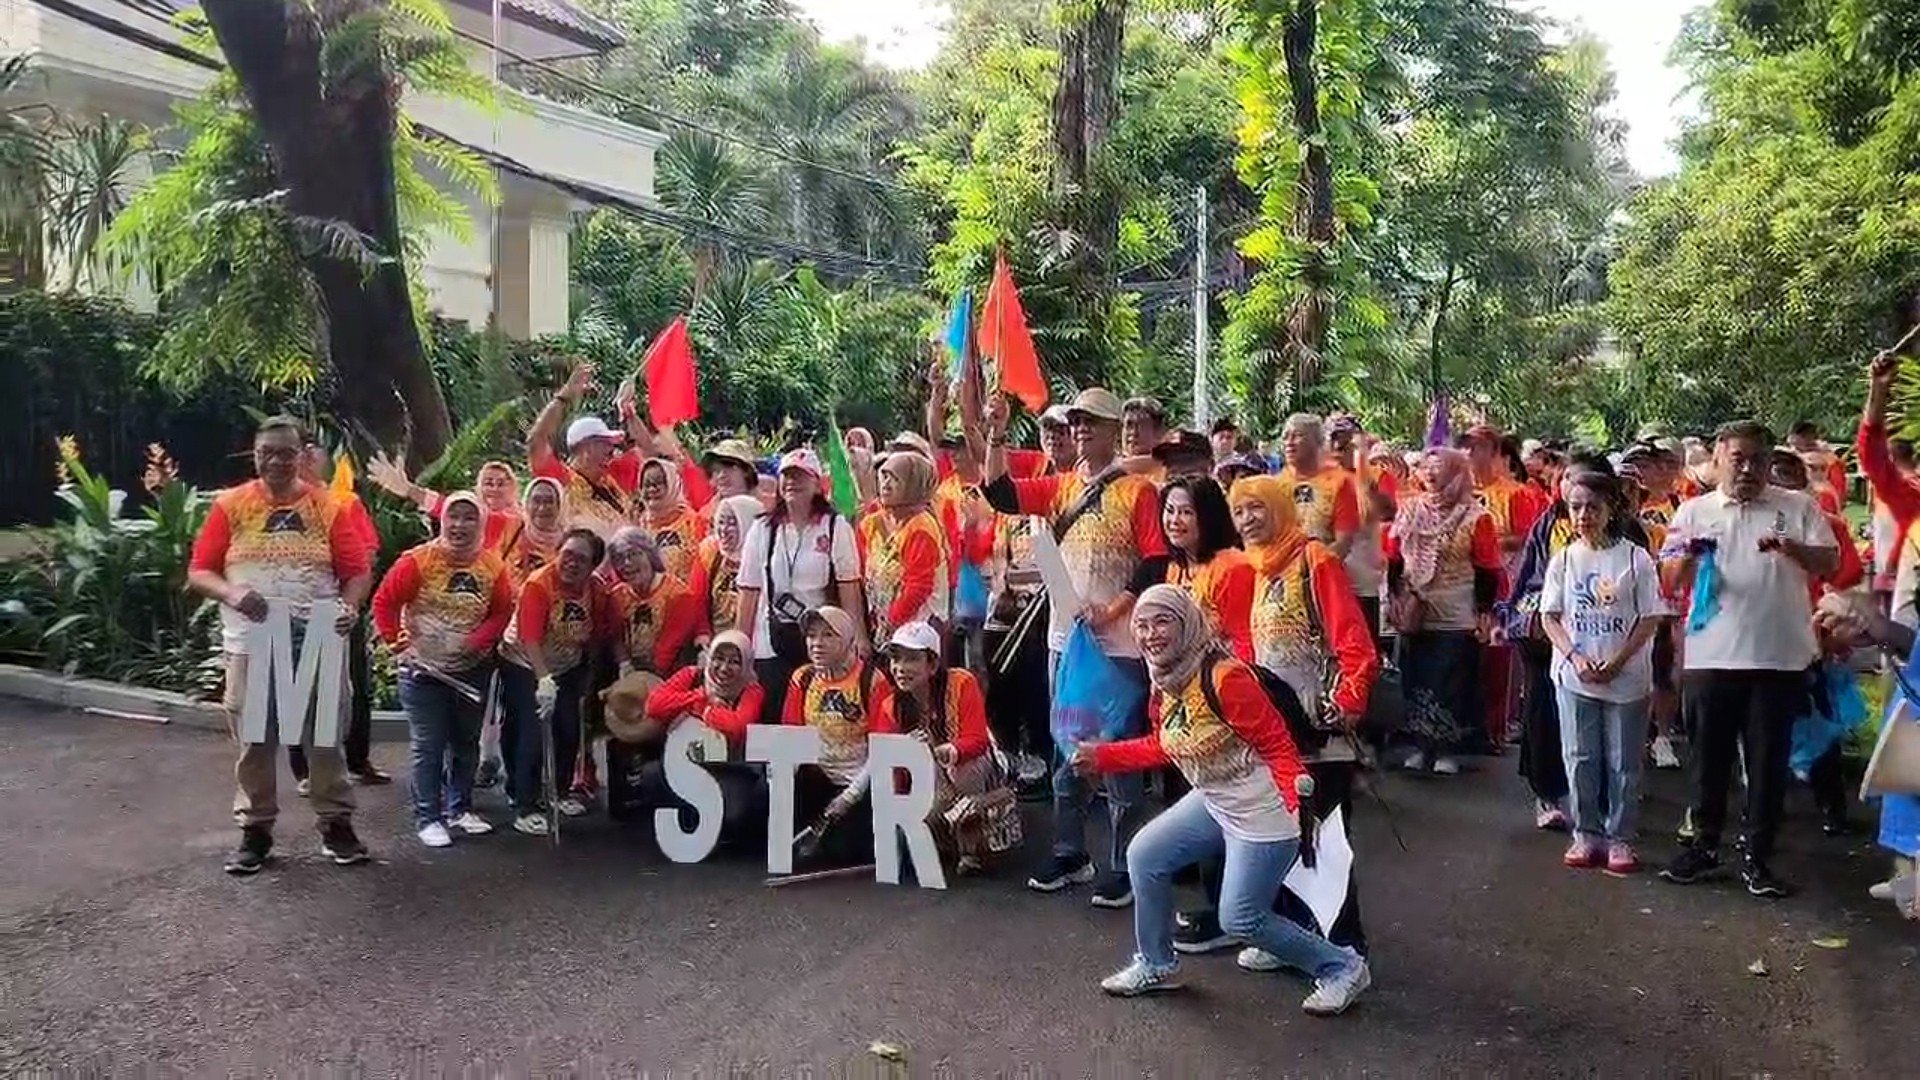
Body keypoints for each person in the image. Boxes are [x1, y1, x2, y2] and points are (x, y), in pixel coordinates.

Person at [1072, 585, 1371, 1012]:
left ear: (1187, 624)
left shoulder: (1225, 678)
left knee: (1240, 918)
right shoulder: (1165, 677)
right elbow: (1167, 744)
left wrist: (1294, 796)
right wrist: (1103, 757)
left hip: (1266, 814)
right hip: (1216, 799)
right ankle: (1156, 963)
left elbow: (1277, 744)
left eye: (1162, 622)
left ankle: (1342, 966)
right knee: (1145, 855)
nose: (1151, 634)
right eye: (1141, 624)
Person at [979, 386, 1167, 906]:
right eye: (1076, 422)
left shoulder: (1138, 492)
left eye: (1093, 422)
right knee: (1067, 744)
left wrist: (1117, 607)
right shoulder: (1059, 487)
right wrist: (997, 429)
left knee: (1117, 752)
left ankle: (1125, 862)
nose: (1082, 430)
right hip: (1065, 639)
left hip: (1121, 645)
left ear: (1113, 430)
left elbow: (1155, 561)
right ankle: (1070, 852)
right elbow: (999, 493)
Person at [187, 415, 376, 874]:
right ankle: (256, 831)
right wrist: (232, 593)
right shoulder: (230, 506)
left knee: (325, 737)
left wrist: (350, 606)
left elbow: (357, 571)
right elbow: (200, 571)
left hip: (316, 632)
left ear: (301, 455)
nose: (276, 460)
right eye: (267, 452)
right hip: (254, 638)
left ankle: (336, 825)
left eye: (286, 452)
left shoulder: (328, 507)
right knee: (255, 739)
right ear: (254, 455)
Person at [1659, 420, 1838, 899]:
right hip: (1711, 657)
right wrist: (1690, 556)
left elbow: (1831, 562)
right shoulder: (1693, 511)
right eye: (1738, 458)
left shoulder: (1796, 506)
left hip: (1777, 658)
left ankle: (1757, 857)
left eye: (1757, 459)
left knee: (1767, 765)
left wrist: (1792, 548)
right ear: (1718, 459)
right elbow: (1670, 580)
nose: (1748, 469)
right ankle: (1704, 845)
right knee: (1708, 759)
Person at [1537, 471, 1667, 874]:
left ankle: (1621, 837)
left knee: (1623, 762)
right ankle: (1586, 833)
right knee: (1579, 756)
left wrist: (1618, 661)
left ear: (1612, 510)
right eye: (1575, 507)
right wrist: (1575, 657)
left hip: (1626, 679)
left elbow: (1649, 618)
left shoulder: (1635, 558)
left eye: (1593, 507)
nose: (1583, 515)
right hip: (1575, 677)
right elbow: (1550, 616)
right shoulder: (1565, 558)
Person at [370, 492, 514, 848]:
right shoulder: (418, 561)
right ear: (442, 520)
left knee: (465, 743)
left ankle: (459, 808)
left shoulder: (492, 566)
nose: (460, 525)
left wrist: (479, 640)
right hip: (424, 672)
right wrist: (397, 644)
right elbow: (385, 602)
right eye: (454, 517)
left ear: (480, 523)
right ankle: (428, 816)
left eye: (469, 518)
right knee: (429, 744)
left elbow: (501, 610)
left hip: (471, 669)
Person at [1384, 448, 1503, 774]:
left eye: (1440, 469)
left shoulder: (1475, 517)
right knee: (1415, 675)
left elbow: (1488, 569)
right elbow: (1394, 558)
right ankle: (1421, 747)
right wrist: (1395, 597)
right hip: (1415, 608)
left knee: (1451, 677)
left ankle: (1448, 749)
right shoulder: (1408, 510)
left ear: (1456, 474)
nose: (1432, 475)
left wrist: (1483, 612)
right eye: (1427, 468)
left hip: (1456, 609)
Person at [498, 528, 616, 836]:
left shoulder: (596, 590)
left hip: (568, 663)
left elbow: (598, 633)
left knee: (568, 728)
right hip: (524, 661)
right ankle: (525, 804)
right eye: (567, 555)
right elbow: (530, 637)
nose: (572, 564)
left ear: (592, 567)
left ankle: (560, 790)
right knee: (532, 731)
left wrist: (588, 676)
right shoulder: (538, 585)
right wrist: (543, 680)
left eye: (581, 559)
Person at [737, 449, 869, 724]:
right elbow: (748, 590)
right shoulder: (762, 528)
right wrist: (742, 645)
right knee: (775, 718)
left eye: (799, 476)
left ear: (817, 483)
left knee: (820, 718)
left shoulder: (834, 527)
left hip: (820, 641)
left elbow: (849, 586)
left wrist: (857, 637)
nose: (791, 483)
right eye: (786, 476)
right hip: (770, 642)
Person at [876, 621, 1018, 873]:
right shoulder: (890, 706)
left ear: (932, 664)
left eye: (911, 659)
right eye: (896, 659)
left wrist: (948, 751)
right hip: (926, 782)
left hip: (974, 767)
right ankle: (951, 829)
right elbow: (885, 763)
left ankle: (970, 850)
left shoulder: (962, 682)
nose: (900, 668)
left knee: (964, 767)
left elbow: (977, 740)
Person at [289, 442, 388, 788]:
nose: (304, 457)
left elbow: (369, 552)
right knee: (302, 686)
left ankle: (358, 761)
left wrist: (354, 600)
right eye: (299, 451)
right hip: (298, 608)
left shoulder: (345, 502)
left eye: (311, 452)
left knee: (356, 685)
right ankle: (304, 771)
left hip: (342, 604)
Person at [625, 630, 770, 843]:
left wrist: (704, 711)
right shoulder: (692, 675)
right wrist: (702, 695)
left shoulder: (752, 689)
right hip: (685, 766)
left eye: (734, 662)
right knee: (651, 775)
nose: (723, 668)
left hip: (730, 768)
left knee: (734, 817)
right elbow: (654, 706)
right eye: (718, 658)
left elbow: (737, 726)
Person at [783, 607, 893, 868]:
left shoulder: (872, 680)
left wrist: (851, 796)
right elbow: (789, 736)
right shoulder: (803, 678)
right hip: (817, 778)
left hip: (862, 782)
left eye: (828, 636)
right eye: (811, 636)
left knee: (844, 852)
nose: (817, 644)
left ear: (846, 639)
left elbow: (884, 749)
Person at [1130, 477, 1254, 662]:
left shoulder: (1233, 567)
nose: (1174, 521)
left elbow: (1244, 640)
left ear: (1208, 518)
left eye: (1186, 512)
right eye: (1170, 511)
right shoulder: (1175, 567)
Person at [858, 451, 950, 645]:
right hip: (881, 628)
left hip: (918, 630)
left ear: (914, 484)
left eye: (895, 478)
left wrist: (891, 624)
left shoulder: (922, 526)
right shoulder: (871, 524)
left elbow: (918, 587)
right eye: (884, 476)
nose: (886, 484)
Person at [608, 528, 701, 678]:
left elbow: (668, 649)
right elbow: (616, 636)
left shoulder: (678, 594)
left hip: (669, 673)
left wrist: (641, 681)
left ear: (650, 555)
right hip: (630, 671)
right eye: (619, 558)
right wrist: (624, 664)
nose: (627, 563)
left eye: (634, 554)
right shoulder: (616, 595)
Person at [1278, 414, 1361, 560]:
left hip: (1323, 571)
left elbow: (1343, 543)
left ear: (1317, 442)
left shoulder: (1340, 482)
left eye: (1297, 435)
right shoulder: (1275, 485)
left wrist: (1310, 568)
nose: (1289, 443)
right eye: (1285, 437)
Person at [691, 494, 764, 642]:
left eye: (732, 523)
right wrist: (703, 634)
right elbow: (697, 599)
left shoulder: (765, 559)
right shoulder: (710, 552)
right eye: (721, 522)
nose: (723, 530)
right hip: (713, 643)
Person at [632, 457, 707, 583]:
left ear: (672, 484)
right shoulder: (638, 524)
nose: (651, 490)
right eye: (646, 484)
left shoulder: (693, 522)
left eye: (658, 483)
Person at [1039, 405, 1075, 475]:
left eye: (1060, 431)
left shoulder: (1087, 476)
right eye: (1046, 428)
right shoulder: (1033, 470)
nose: (1052, 435)